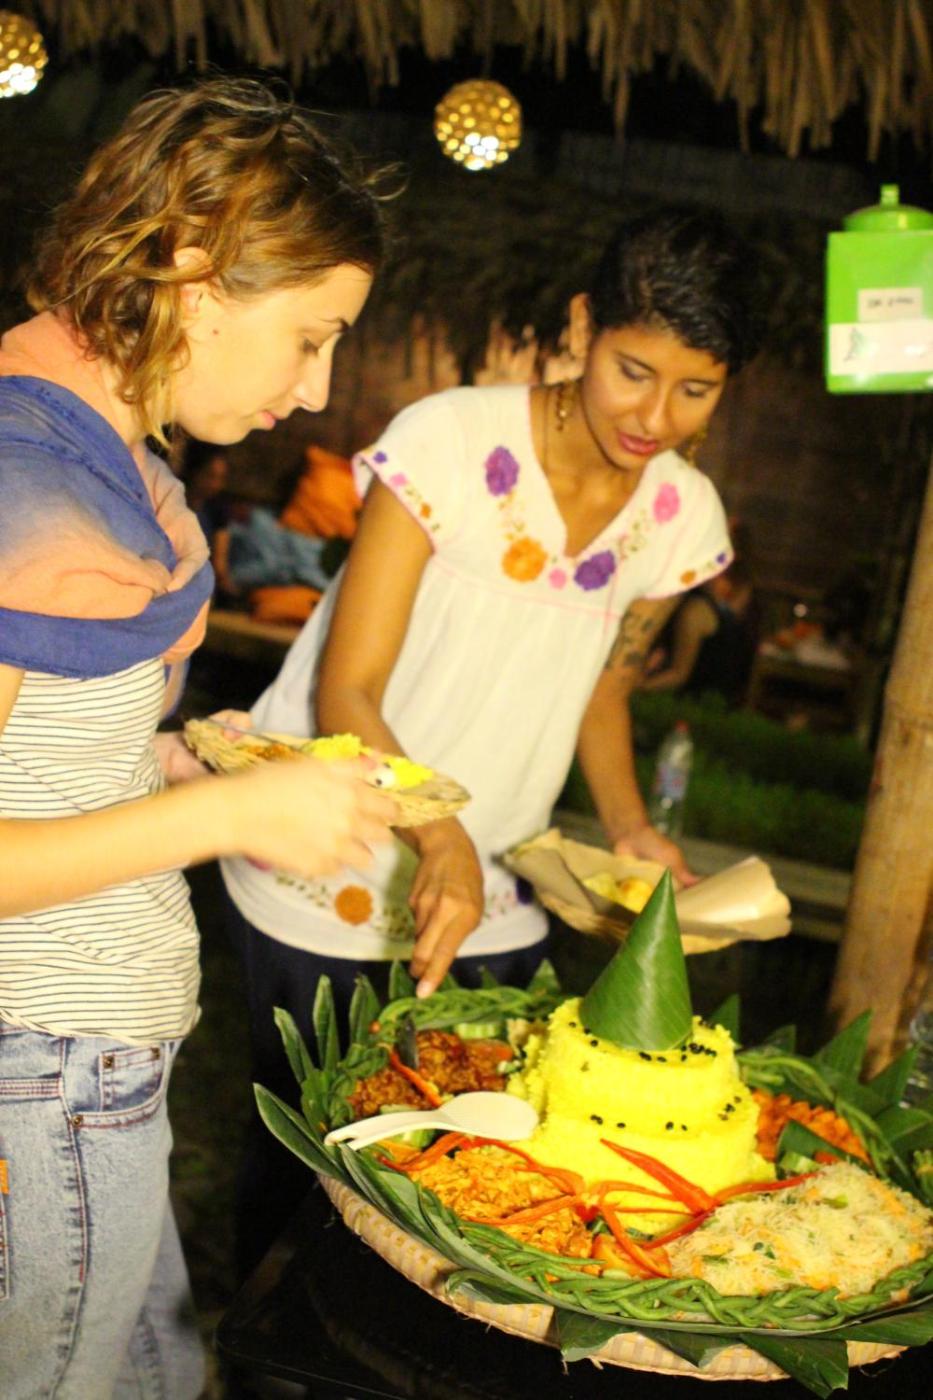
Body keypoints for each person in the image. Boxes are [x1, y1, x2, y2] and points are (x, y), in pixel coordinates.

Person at [220, 207, 764, 1274]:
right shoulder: (452, 442)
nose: (655, 416)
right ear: (583, 327)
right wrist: (440, 835)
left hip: (495, 881)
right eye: (633, 372)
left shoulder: (682, 514)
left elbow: (605, 686)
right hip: (329, 846)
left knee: (460, 1172)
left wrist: (630, 830)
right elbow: (349, 684)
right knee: (308, 1166)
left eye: (695, 390)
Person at [0, 77, 399, 1399]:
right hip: (40, 1065)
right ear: (192, 272)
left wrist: (172, 761)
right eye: (311, 337)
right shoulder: (24, 481)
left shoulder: (97, 451)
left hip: (86, 1063)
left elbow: (41, 750)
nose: (318, 386)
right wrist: (222, 815)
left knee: (160, 1373)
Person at [640, 557, 758, 704]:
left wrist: (636, 688)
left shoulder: (695, 610)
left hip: (695, 704)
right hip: (718, 701)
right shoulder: (721, 609)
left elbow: (678, 675)